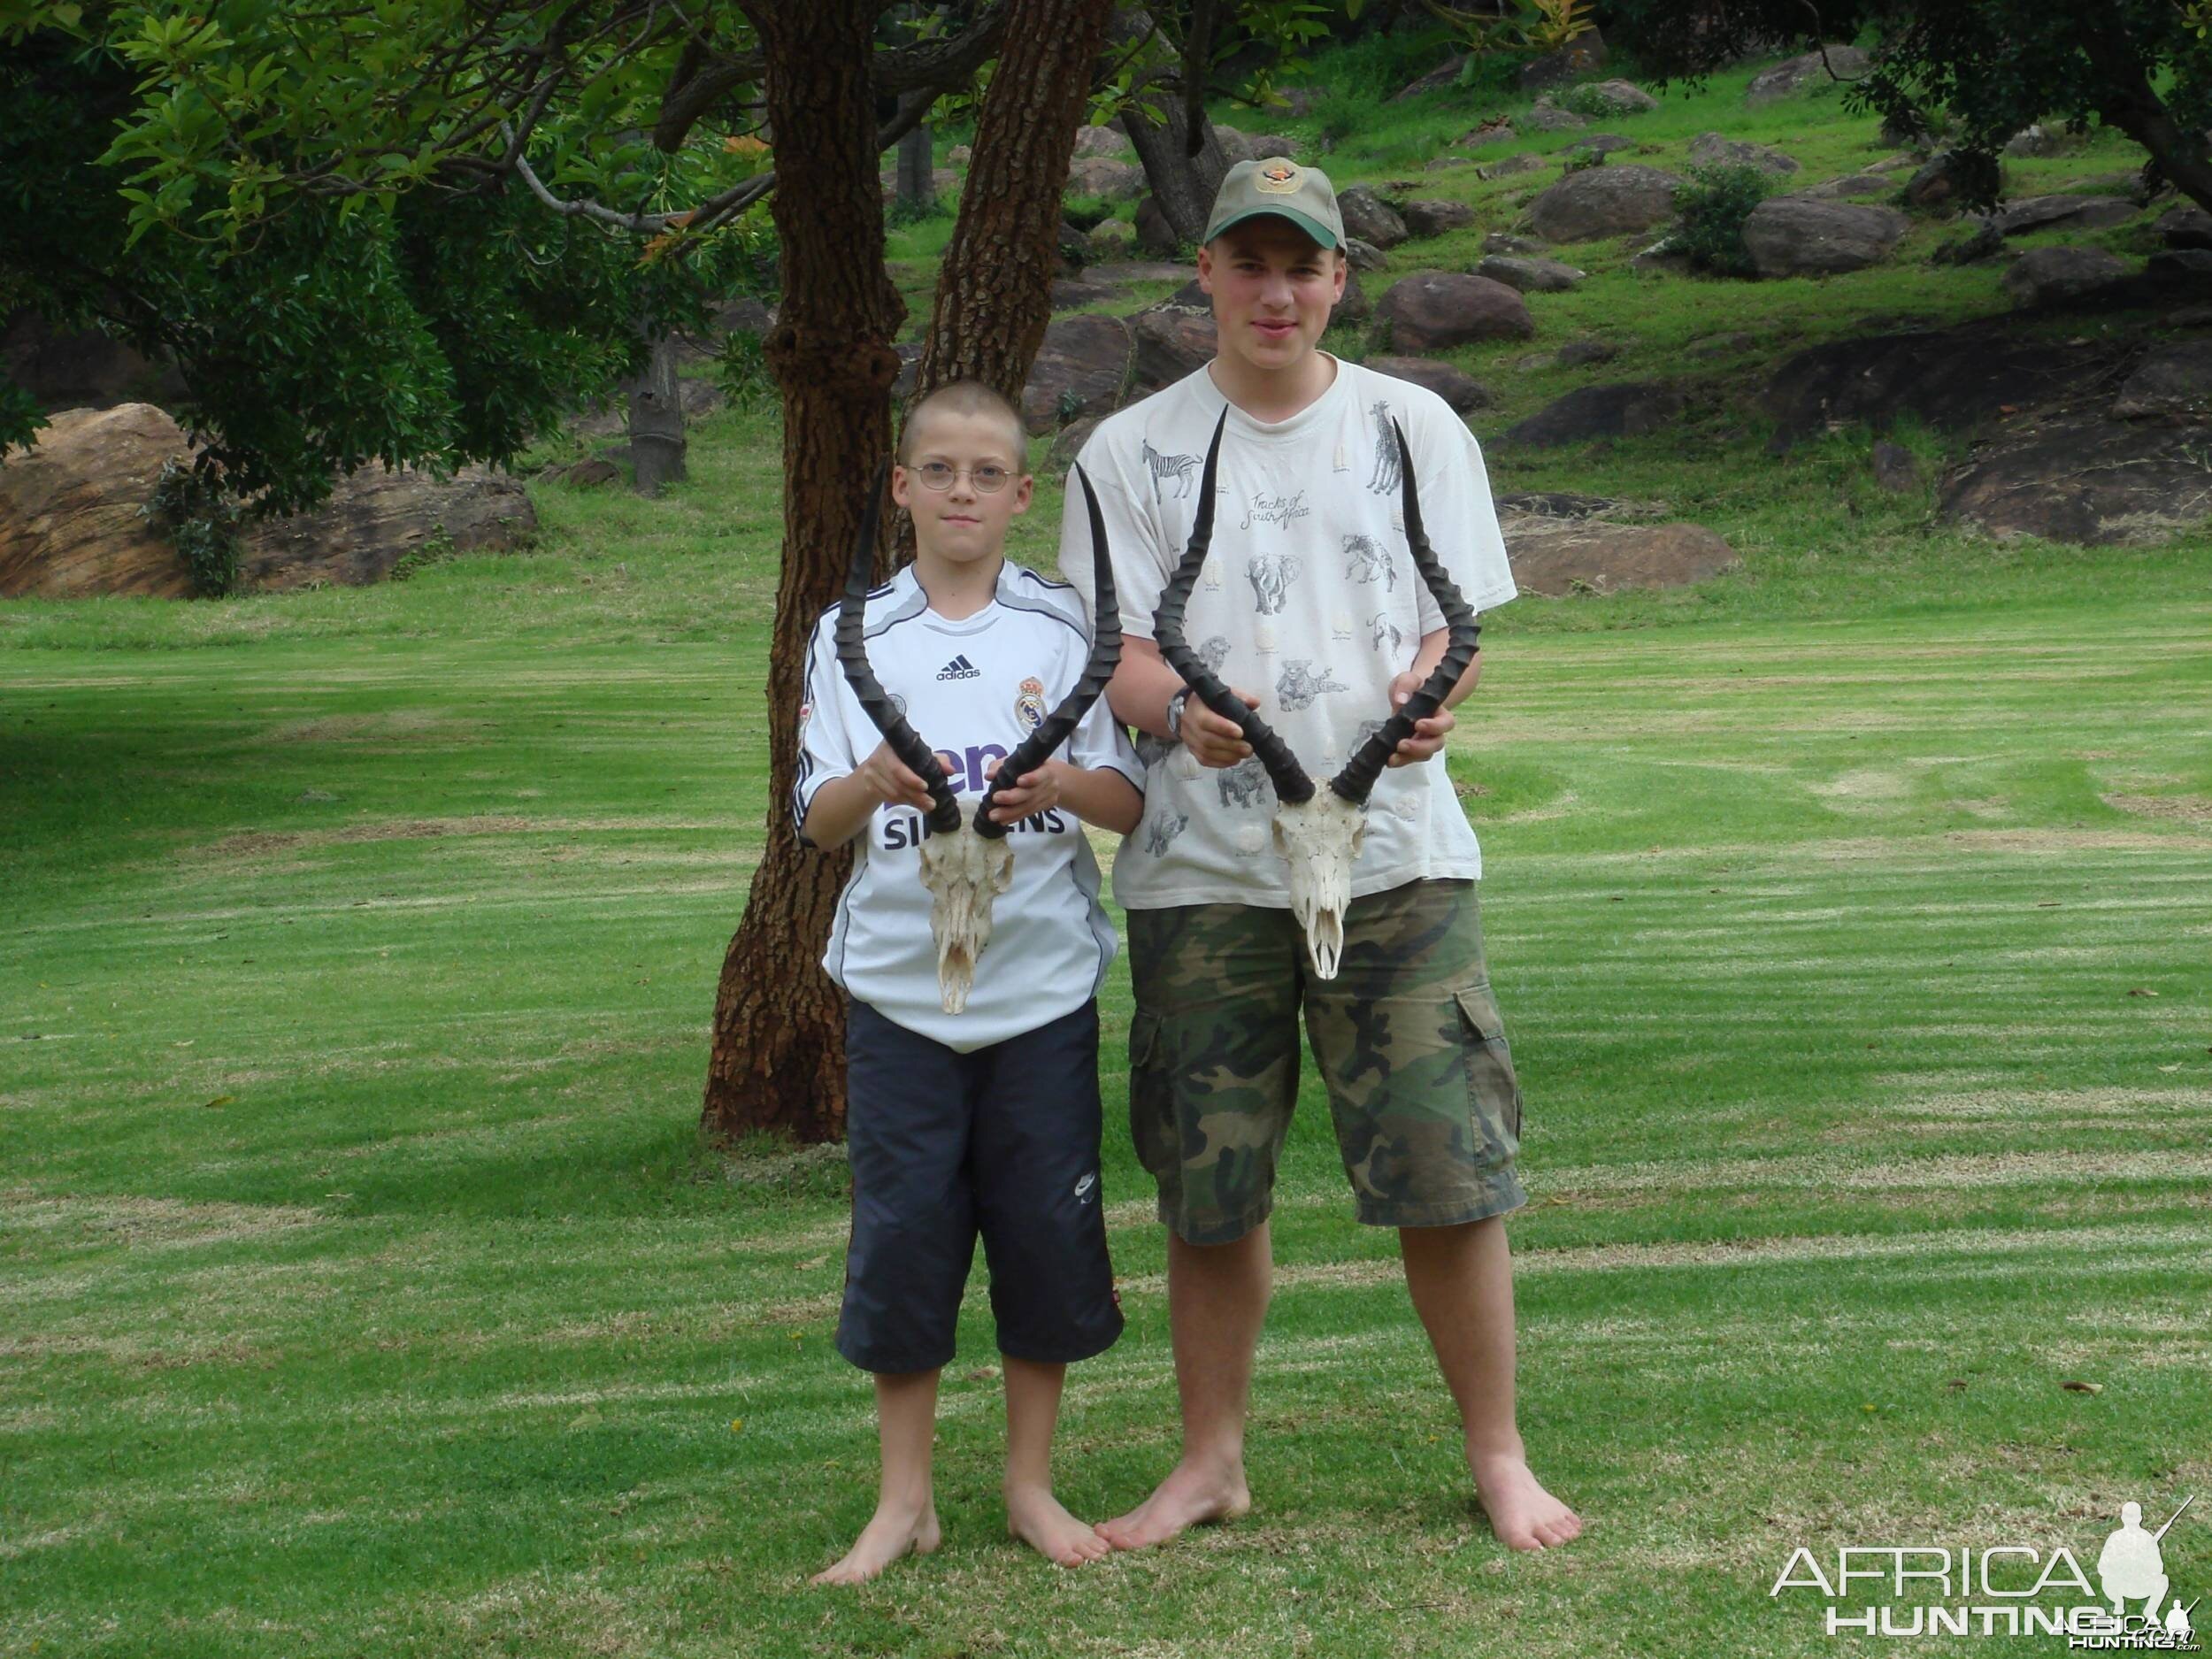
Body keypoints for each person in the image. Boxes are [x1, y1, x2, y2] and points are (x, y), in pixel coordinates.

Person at [1061, 158, 1583, 1552]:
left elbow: (1451, 618)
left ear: (1340, 277)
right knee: (1208, 1180)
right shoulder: (1126, 454)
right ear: (1208, 277)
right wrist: (1179, 714)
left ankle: (1499, 1457)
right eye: (1250, 263)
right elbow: (1113, 649)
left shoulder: (1416, 428)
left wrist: (1429, 700)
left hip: (1401, 855)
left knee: (1448, 1165)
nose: (1276, 291)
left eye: (1304, 265)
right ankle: (1211, 1462)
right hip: (1197, 869)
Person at [794, 380, 1146, 1584]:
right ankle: (904, 1502)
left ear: (1018, 494)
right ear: (903, 486)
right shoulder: (855, 634)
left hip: (1039, 987)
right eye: (937, 470)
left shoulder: (1062, 632)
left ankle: (1030, 1485)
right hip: (899, 991)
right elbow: (817, 819)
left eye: (986, 473)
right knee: (904, 1235)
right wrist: (874, 781)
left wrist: (1062, 790)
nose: (960, 491)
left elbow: (1125, 797)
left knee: (1044, 1232)